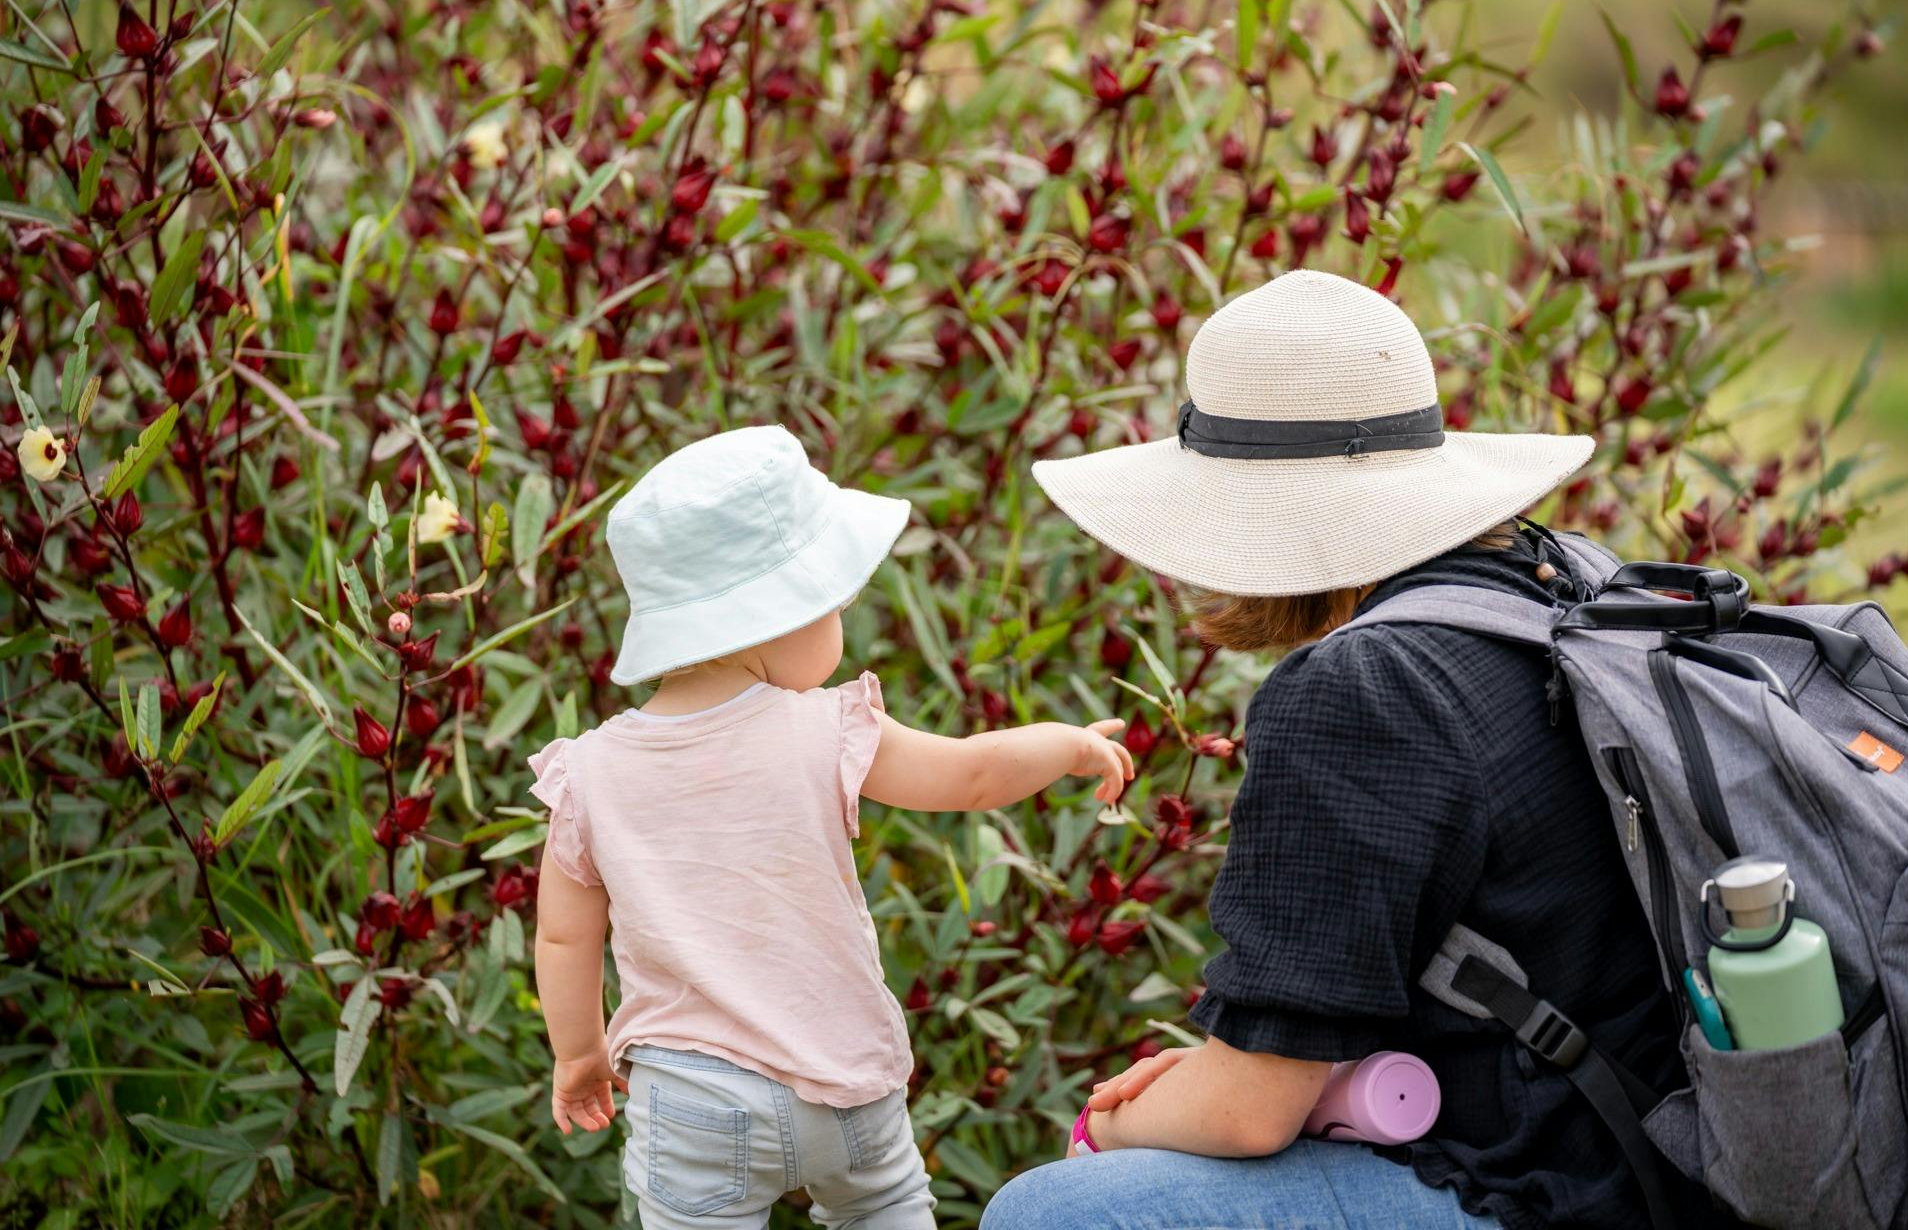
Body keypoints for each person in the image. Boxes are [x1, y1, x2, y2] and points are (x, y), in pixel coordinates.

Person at [984, 270, 1722, 1229]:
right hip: (1687, 1157)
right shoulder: (1558, 587)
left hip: (1557, 1193)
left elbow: (1250, 1110)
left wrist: (1113, 1129)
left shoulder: (1361, 692)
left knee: (1056, 1213)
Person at [525, 425, 1133, 1230]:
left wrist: (580, 1057)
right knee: (884, 1211)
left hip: (693, 1102)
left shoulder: (591, 774)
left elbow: (564, 939)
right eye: (835, 605)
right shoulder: (825, 730)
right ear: (778, 614)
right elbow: (970, 775)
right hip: (844, 1084)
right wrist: (1067, 746)